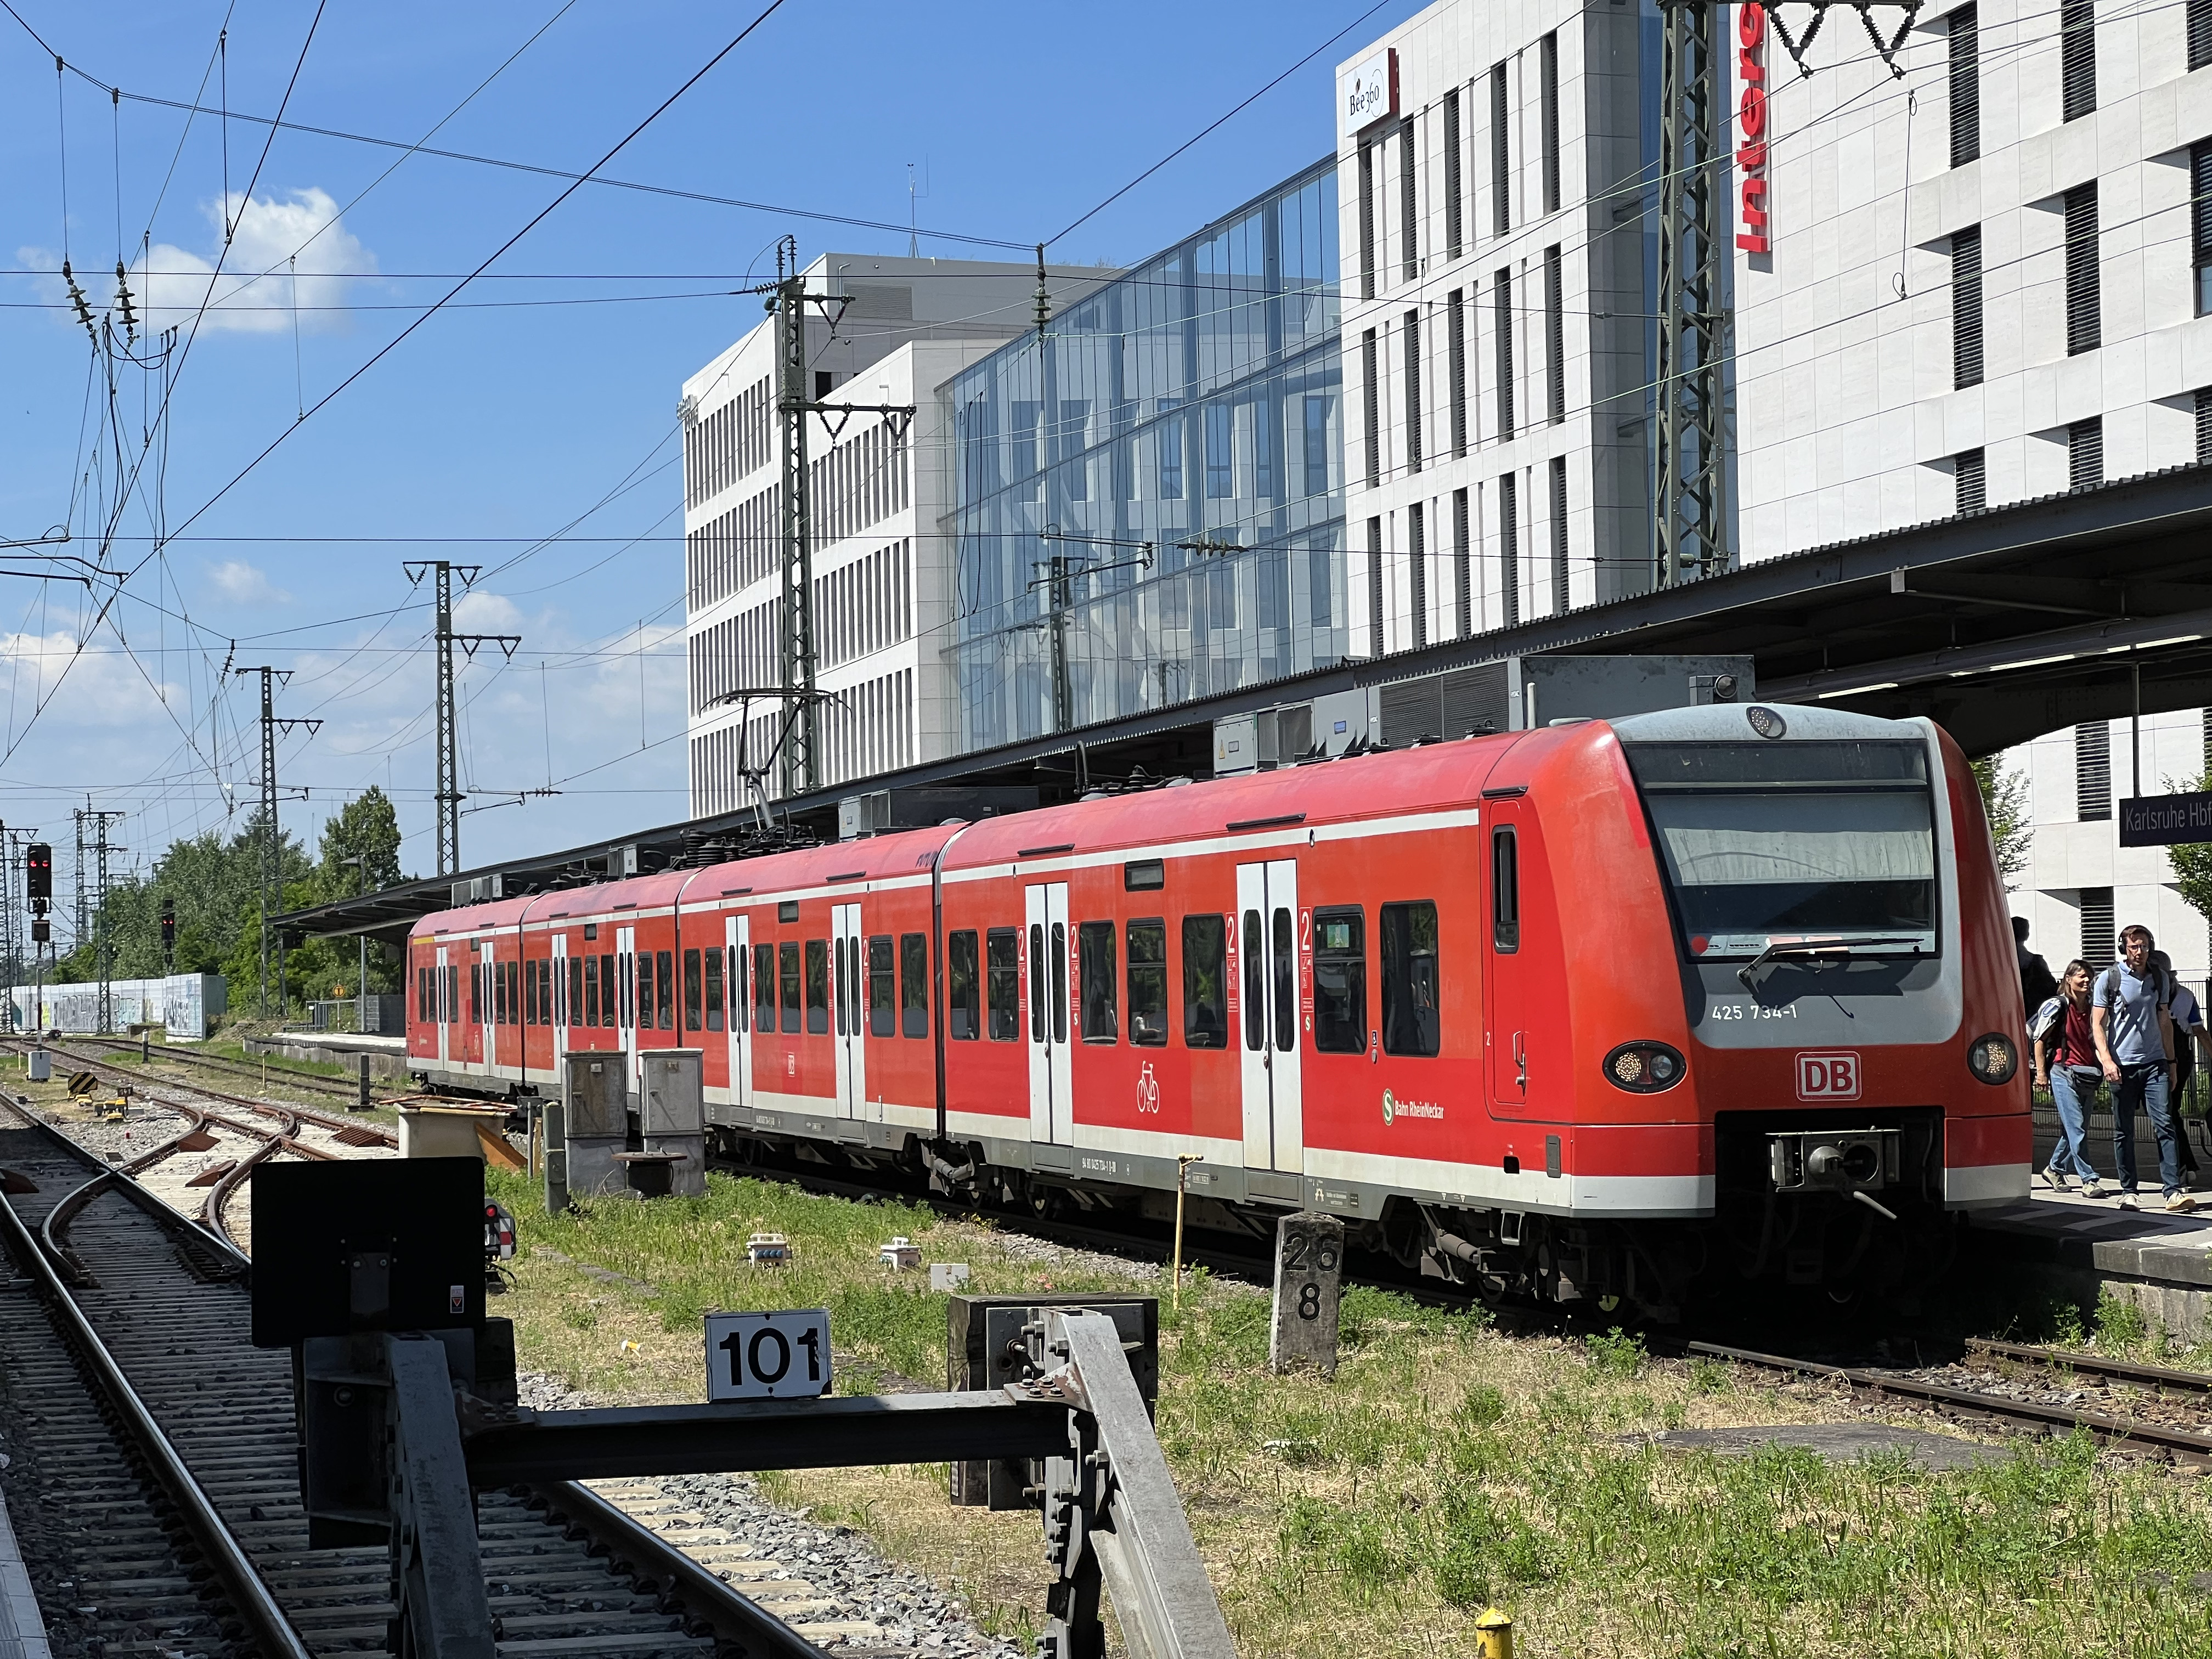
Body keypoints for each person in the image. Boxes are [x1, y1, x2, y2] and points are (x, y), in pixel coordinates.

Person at [2091, 925, 2198, 1214]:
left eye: (2144, 946)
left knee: (2165, 1123)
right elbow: (2097, 1024)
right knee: (2124, 1130)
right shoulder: (2109, 978)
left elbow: (2164, 1021)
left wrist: (2172, 1062)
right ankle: (2129, 1191)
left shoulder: (2159, 978)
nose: (2139, 952)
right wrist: (2107, 1060)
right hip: (2122, 1065)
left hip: (2155, 1063)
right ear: (2123, 948)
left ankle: (2173, 1192)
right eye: (2133, 946)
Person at [2031, 959, 2103, 1195]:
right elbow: (2039, 1040)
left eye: (2089, 976)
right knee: (2077, 1129)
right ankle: (2089, 1179)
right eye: (2081, 976)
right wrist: (2041, 1073)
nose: (2086, 980)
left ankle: (2054, 1169)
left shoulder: (2094, 1006)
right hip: (2063, 1072)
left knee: (2074, 1129)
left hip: (2088, 1074)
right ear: (2068, 979)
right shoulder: (2057, 1005)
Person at [2152, 949, 2206, 1187]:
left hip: (2159, 1055)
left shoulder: (2150, 993)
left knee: (2165, 1114)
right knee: (2170, 1111)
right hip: (2182, 1056)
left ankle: (2178, 1165)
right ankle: (2185, 1163)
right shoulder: (2186, 995)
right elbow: (2198, 1030)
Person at [2016, 917, 2058, 1015]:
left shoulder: (1995, 960)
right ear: (2027, 935)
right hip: (2033, 1013)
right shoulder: (2037, 962)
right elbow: (2050, 988)